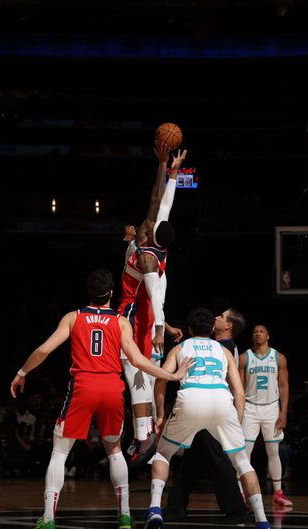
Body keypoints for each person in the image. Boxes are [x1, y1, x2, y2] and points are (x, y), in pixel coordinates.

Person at [9, 269, 193, 529]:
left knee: (60, 452)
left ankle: (48, 519)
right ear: (110, 294)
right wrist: (171, 374)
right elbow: (138, 360)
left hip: (83, 386)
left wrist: (21, 373)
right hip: (111, 388)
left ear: (89, 292)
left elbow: (44, 350)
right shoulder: (120, 322)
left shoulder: (74, 317)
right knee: (114, 450)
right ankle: (125, 517)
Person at [146, 307, 272, 529]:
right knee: (242, 462)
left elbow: (160, 381)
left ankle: (154, 509)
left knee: (163, 453)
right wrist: (238, 422)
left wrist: (161, 415)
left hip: (192, 398)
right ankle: (262, 522)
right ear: (212, 328)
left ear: (190, 329)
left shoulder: (181, 347)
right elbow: (239, 392)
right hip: (221, 401)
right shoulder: (223, 350)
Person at [119, 143, 187, 462]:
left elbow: (155, 295)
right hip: (144, 318)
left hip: (137, 318)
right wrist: (168, 169)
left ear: (149, 235)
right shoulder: (157, 242)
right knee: (140, 379)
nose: (145, 223)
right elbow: (160, 201)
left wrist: (161, 326)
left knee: (136, 378)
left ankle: (143, 434)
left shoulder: (146, 259)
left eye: (147, 226)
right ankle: (144, 434)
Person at [163, 308, 248, 521]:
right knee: (192, 460)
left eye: (221, 316)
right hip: (214, 407)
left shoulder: (224, 347)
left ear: (227, 326)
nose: (216, 317)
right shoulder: (219, 347)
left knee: (219, 460)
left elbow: (236, 388)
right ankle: (176, 505)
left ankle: (236, 508)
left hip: (216, 408)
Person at [238, 323, 293, 507]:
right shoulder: (244, 358)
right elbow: (238, 388)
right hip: (250, 408)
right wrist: (238, 411)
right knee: (245, 452)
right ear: (252, 336)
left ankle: (278, 492)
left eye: (262, 331)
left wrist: (283, 412)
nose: (258, 334)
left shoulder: (279, 358)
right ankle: (241, 492)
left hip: (271, 408)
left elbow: (284, 387)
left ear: (268, 336)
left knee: (273, 451)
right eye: (255, 332)